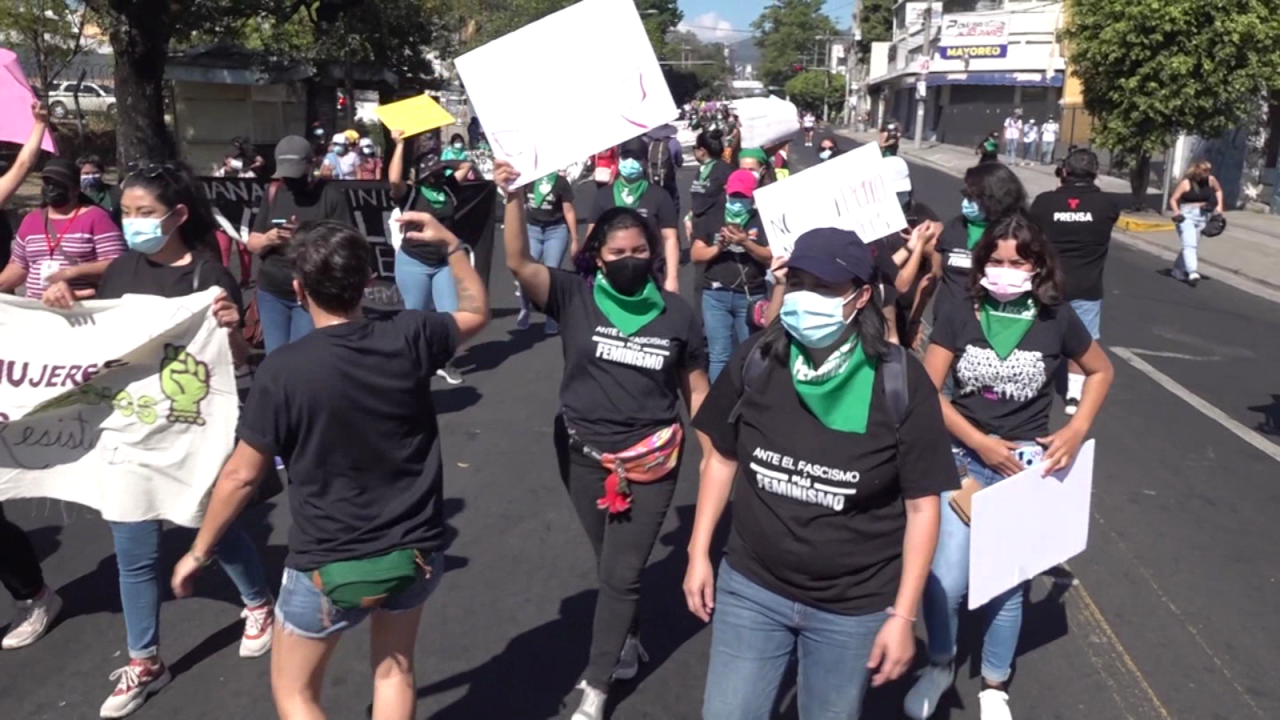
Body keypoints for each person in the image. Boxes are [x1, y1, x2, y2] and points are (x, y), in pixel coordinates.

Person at [171, 218, 489, 720]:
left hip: (326, 563)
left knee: (296, 694)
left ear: (299, 289)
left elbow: (241, 476)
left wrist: (199, 550)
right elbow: (474, 310)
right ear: (367, 282)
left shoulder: (284, 371)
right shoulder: (412, 334)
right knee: (394, 670)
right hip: (415, 552)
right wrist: (452, 244)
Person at [686, 228, 955, 720]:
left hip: (851, 608)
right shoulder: (759, 360)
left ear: (861, 296)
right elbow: (722, 459)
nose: (807, 297)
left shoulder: (899, 381)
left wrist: (903, 614)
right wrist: (698, 551)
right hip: (752, 587)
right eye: (800, 282)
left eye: (825, 287)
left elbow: (922, 507)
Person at [41, 162, 274, 719]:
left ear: (178, 216)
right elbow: (93, 334)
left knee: (209, 524)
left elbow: (238, 360)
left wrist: (231, 332)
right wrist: (62, 295)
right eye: (126, 213)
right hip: (126, 432)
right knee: (134, 553)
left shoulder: (209, 279)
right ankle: (145, 659)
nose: (133, 223)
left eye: (145, 214)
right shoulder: (120, 271)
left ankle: (258, 602)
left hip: (189, 435)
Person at [500, 158, 710, 720]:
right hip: (582, 455)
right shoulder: (573, 296)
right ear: (597, 255)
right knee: (609, 561)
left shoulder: (678, 315)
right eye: (617, 254)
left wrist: (720, 455)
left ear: (654, 254)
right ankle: (629, 634)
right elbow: (518, 261)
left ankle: (595, 688)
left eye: (639, 252)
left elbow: (697, 392)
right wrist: (514, 198)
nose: (629, 261)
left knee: (621, 572)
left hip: (652, 458)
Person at [909, 213, 1114, 720]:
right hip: (959, 460)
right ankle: (940, 664)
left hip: (1020, 468)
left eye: (1017, 262)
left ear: (1037, 266)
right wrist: (980, 442)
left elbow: (1101, 370)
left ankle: (995, 685)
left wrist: (1075, 428)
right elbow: (927, 393)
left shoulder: (1056, 319)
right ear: (981, 265)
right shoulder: (959, 311)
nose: (1005, 270)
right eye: (996, 261)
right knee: (946, 581)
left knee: (1007, 585)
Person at [1030, 149, 1120, 415]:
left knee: (1038, 334)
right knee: (1083, 342)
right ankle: (1073, 396)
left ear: (1064, 172)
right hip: (1087, 286)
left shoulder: (1044, 202)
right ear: (1097, 174)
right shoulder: (1107, 205)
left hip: (1048, 282)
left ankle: (1031, 384)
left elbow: (1033, 233)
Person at [246, 135, 354, 354]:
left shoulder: (330, 195)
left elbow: (346, 245)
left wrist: (307, 238)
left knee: (303, 356)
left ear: (311, 164)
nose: (290, 181)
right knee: (275, 358)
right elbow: (252, 242)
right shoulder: (273, 192)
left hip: (312, 293)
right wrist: (270, 238)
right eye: (285, 174)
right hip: (272, 292)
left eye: (295, 173)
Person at [387, 130, 475, 385]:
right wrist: (400, 145)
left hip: (443, 262)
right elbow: (394, 180)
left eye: (440, 171)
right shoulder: (412, 194)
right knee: (416, 315)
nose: (438, 174)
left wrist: (445, 162)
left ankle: (444, 361)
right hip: (414, 262)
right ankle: (415, 363)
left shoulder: (447, 189)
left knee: (449, 315)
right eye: (433, 171)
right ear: (424, 174)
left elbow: (467, 165)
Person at [0, 158, 124, 301]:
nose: (52, 189)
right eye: (48, 183)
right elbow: (18, 267)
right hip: (37, 310)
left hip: (82, 311)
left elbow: (117, 266)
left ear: (76, 189)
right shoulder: (31, 220)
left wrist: (72, 272)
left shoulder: (97, 218)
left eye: (59, 184)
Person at [692, 170, 771, 381]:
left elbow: (771, 256)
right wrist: (719, 246)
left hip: (750, 296)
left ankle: (747, 401)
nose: (737, 201)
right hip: (715, 294)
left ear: (753, 196)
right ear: (726, 192)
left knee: (751, 353)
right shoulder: (712, 216)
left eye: (743, 197)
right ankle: (719, 403)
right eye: (734, 196)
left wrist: (746, 242)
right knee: (719, 355)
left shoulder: (761, 220)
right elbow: (696, 254)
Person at [926, 163, 1028, 321]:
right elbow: (934, 274)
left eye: (972, 196)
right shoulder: (954, 227)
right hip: (945, 324)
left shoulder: (1017, 235)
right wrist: (915, 318)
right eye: (965, 195)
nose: (966, 202)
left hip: (991, 325)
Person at [588, 137, 679, 294]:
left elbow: (670, 238)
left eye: (636, 158)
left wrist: (672, 278)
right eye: (625, 157)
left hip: (650, 275)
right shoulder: (603, 195)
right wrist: (591, 271)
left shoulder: (659, 195)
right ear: (618, 159)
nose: (630, 162)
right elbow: (591, 236)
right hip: (609, 275)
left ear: (644, 161)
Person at [520, 168, 578, 333]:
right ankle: (525, 307)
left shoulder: (560, 182)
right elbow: (519, 204)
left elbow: (568, 210)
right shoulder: (528, 179)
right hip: (532, 230)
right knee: (525, 272)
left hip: (555, 230)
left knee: (552, 275)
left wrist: (575, 238)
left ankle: (551, 317)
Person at [1168, 160, 1224, 288]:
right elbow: (1173, 199)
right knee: (1190, 245)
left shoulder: (1211, 180)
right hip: (1186, 215)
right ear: (1197, 171)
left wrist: (1220, 206)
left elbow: (1218, 190)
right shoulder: (1186, 183)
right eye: (1205, 171)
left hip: (1203, 215)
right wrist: (1176, 212)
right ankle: (1192, 272)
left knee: (1191, 245)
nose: (1208, 173)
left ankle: (1177, 270)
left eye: (1209, 170)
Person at [78, 154, 122, 221]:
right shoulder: (73, 195)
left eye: (95, 173)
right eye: (86, 173)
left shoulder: (115, 193)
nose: (91, 177)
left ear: (102, 173)